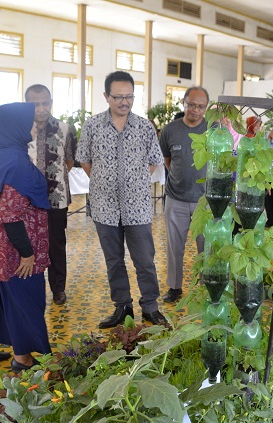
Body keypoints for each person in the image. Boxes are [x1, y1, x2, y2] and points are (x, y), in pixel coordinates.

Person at [76, 71, 167, 328]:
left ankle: (150, 307)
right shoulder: (93, 126)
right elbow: (84, 158)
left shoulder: (144, 127)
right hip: (104, 207)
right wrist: (104, 180)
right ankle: (122, 307)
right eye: (118, 97)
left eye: (129, 97)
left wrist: (134, 181)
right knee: (113, 260)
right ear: (106, 96)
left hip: (137, 206)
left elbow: (154, 161)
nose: (124, 102)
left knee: (145, 261)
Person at [0, 102, 52, 372]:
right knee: (24, 297)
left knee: (2, 294)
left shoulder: (1, 151)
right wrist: (27, 254)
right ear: (16, 126)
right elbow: (11, 215)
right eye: (29, 122)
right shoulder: (15, 161)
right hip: (13, 244)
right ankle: (23, 358)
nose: (34, 126)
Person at [25, 84, 78, 306]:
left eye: (45, 103)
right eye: (35, 104)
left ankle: (58, 289)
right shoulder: (21, 129)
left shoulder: (65, 129)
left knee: (56, 244)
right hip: (26, 200)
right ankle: (31, 289)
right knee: (28, 246)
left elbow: (69, 161)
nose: (41, 108)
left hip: (56, 199)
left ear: (51, 103)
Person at [159, 86, 210, 303]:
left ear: (206, 108)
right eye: (191, 105)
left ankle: (206, 288)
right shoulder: (170, 130)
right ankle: (175, 287)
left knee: (206, 248)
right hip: (176, 198)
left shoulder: (213, 130)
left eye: (200, 106)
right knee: (174, 247)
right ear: (184, 103)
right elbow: (167, 159)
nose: (195, 110)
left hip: (206, 201)